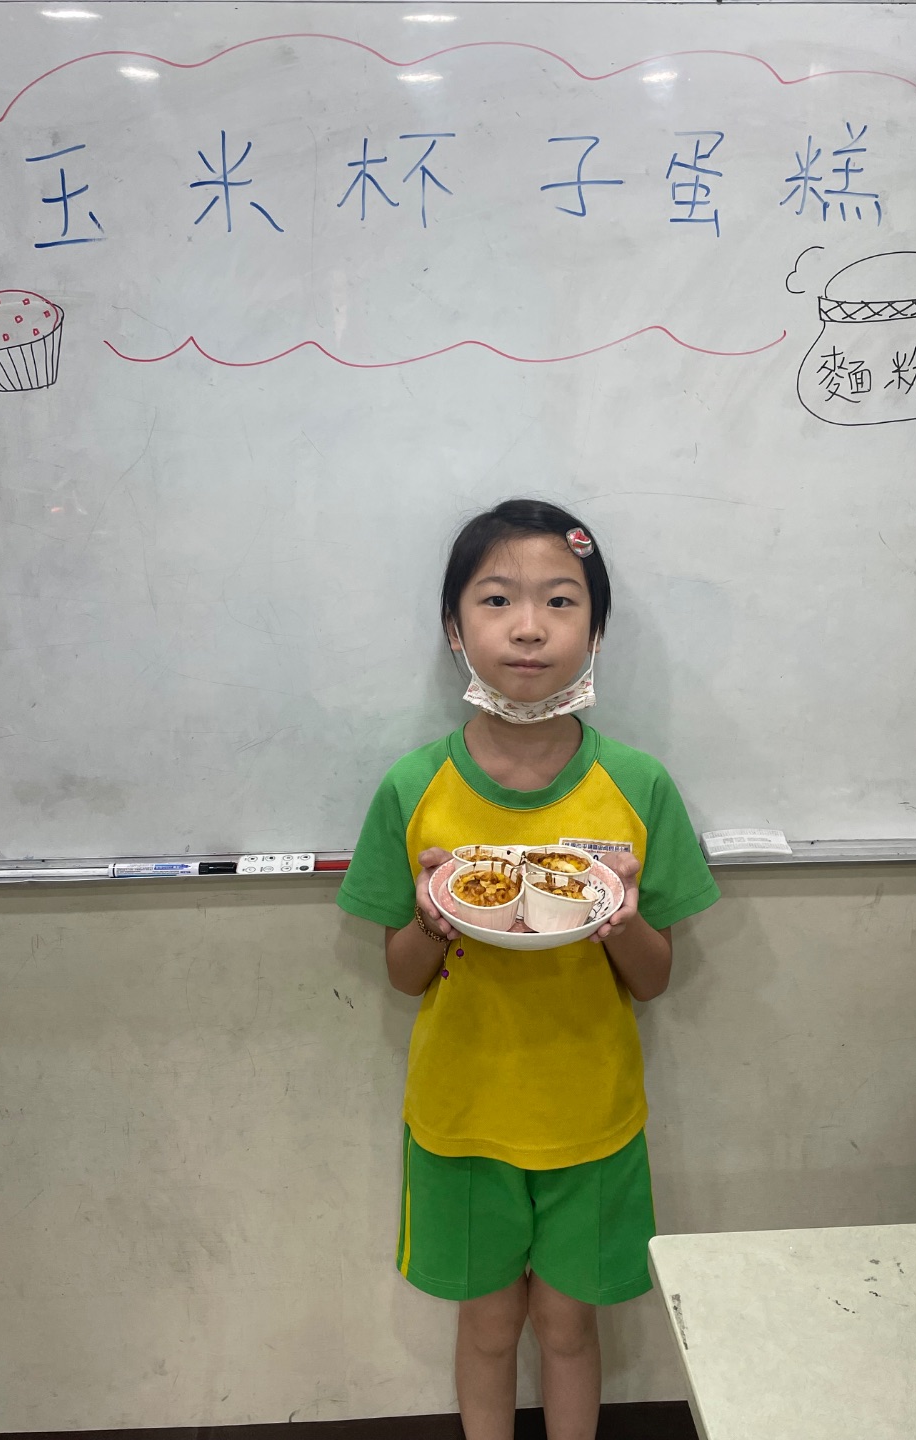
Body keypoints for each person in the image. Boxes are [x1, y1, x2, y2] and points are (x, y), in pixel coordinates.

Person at [337, 499, 719, 1440]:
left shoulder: (638, 784)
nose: (529, 627)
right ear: (454, 628)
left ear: (596, 630)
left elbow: (655, 978)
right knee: (486, 1326)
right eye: (497, 599)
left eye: (561, 600)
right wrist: (431, 920)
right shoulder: (412, 787)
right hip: (462, 1114)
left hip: (592, 1114)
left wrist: (621, 921)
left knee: (568, 1327)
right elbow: (401, 974)